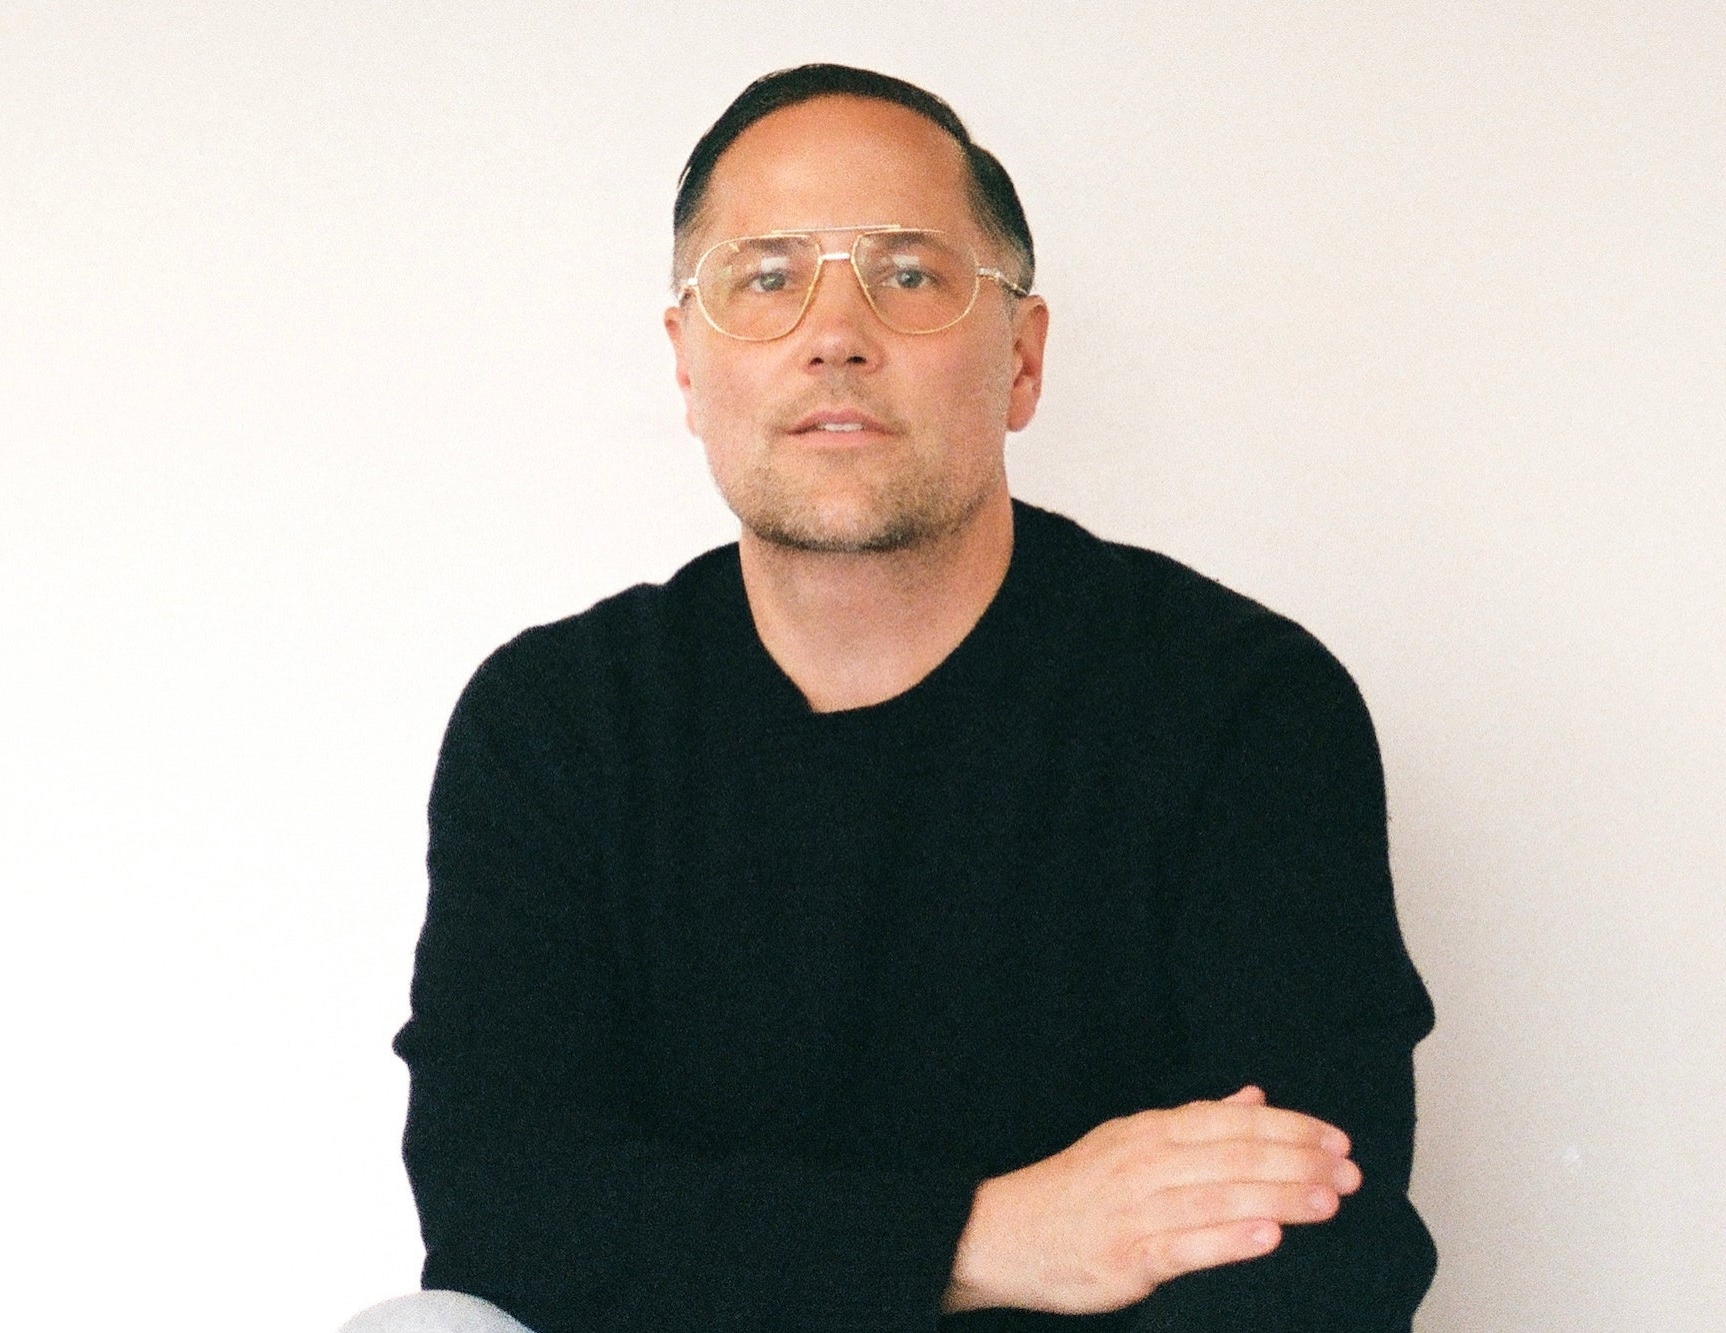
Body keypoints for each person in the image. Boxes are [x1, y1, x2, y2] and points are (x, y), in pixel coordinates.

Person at [349, 64, 1435, 1333]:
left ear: (1020, 359)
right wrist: (984, 1235)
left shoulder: (1240, 707)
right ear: (687, 367)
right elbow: (500, 1211)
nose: (835, 333)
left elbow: (1305, 1231)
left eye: (908, 275)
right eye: (765, 279)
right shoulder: (556, 724)